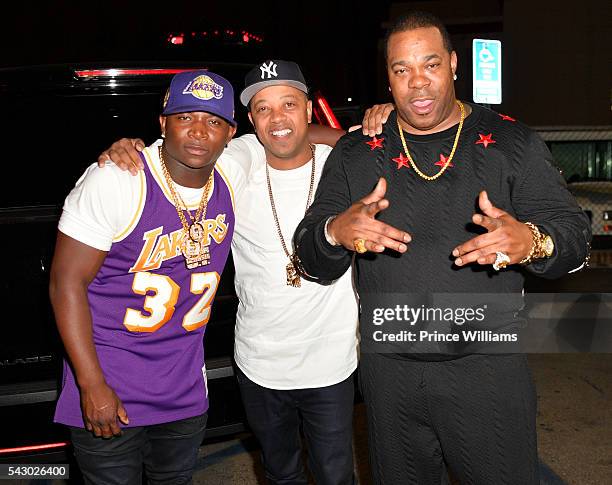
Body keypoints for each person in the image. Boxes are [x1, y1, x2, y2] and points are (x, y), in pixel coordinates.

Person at [293, 11, 591, 485]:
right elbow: (310, 257)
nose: (417, 84)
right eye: (401, 70)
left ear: (453, 64)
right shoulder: (357, 151)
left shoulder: (511, 143)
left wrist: (532, 241)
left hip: (488, 371)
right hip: (390, 374)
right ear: (387, 78)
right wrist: (333, 231)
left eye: (430, 65)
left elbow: (576, 239)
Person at [98, 60, 358, 485]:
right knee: (280, 471)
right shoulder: (235, 162)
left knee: (336, 473)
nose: (278, 118)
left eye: (289, 104)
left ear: (309, 109)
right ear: (249, 122)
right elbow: (175, 158)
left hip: (332, 362)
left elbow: (376, 150)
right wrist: (129, 149)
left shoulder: (344, 163)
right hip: (260, 363)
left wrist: (369, 130)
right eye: (263, 108)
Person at [49, 70, 238, 484]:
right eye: (185, 117)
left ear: (230, 134)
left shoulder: (233, 174)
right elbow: (66, 282)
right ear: (163, 122)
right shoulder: (118, 178)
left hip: (184, 393)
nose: (198, 132)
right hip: (111, 393)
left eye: (213, 121)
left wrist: (381, 120)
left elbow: (294, 138)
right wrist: (91, 384)